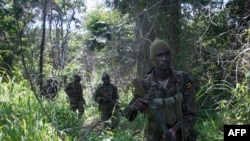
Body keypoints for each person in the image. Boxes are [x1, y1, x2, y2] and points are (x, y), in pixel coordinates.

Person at [124, 38, 197, 141]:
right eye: (159, 55)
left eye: (167, 54)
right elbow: (128, 115)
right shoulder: (145, 85)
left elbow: (191, 114)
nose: (164, 58)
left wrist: (175, 130)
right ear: (153, 58)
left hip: (182, 136)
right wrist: (135, 106)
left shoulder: (183, 79)